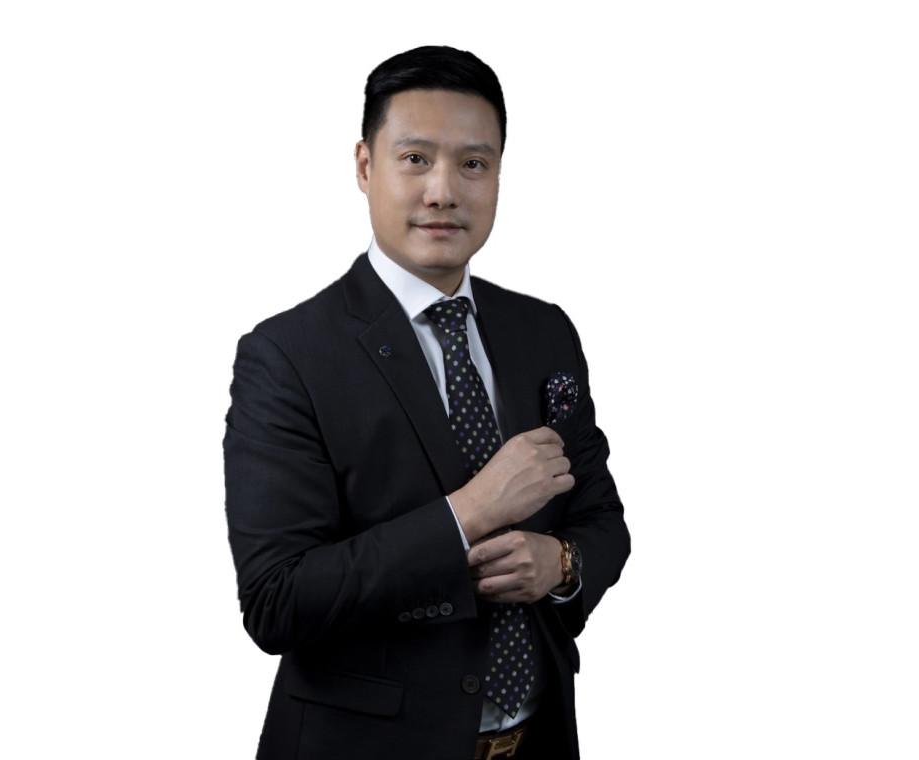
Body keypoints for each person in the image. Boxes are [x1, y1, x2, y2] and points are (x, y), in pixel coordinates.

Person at [223, 45, 630, 760]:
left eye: (473, 163)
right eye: (415, 158)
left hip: (539, 740)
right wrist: (468, 513)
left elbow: (602, 519)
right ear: (364, 166)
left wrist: (561, 564)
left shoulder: (544, 332)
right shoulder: (287, 355)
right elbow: (277, 601)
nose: (444, 191)